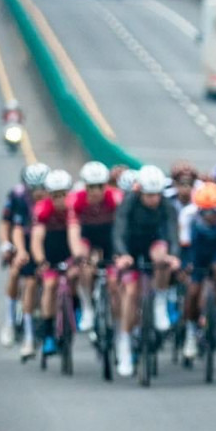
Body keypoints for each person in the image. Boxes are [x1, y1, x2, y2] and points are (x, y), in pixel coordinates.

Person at [112, 164, 181, 378]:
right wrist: (122, 254)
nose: (153, 200)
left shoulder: (166, 205)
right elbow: (119, 230)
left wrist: (174, 256)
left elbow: (172, 232)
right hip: (131, 247)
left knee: (162, 257)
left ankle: (159, 301)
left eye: (157, 195)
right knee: (131, 293)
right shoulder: (129, 203)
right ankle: (124, 344)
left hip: (154, 244)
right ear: (140, 191)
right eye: (149, 195)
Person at [179, 182, 216, 360]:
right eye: (205, 212)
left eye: (214, 211)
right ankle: (190, 334)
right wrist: (185, 265)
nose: (210, 216)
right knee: (193, 291)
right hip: (197, 255)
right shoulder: (189, 216)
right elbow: (184, 246)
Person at [0, 162, 49, 351]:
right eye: (34, 189)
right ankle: (10, 321)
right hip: (21, 239)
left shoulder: (53, 199)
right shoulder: (18, 196)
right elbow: (9, 226)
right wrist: (10, 247)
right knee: (16, 273)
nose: (38, 193)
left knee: (35, 282)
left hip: (44, 240)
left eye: (42, 188)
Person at [67, 161, 118, 332]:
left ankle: (113, 312)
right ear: (85, 186)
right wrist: (78, 254)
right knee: (85, 268)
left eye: (100, 186)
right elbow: (73, 228)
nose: (96, 191)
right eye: (91, 187)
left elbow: (122, 226)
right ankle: (87, 306)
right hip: (87, 235)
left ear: (106, 185)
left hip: (109, 235)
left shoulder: (115, 197)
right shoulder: (76, 199)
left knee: (113, 278)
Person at [30, 169, 76, 357]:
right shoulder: (43, 209)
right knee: (49, 285)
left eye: (63, 194)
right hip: (50, 256)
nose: (60, 199)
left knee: (77, 276)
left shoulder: (74, 207)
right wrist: (41, 261)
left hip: (70, 253)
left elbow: (81, 236)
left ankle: (78, 308)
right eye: (55, 195)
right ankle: (48, 332)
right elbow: (37, 239)